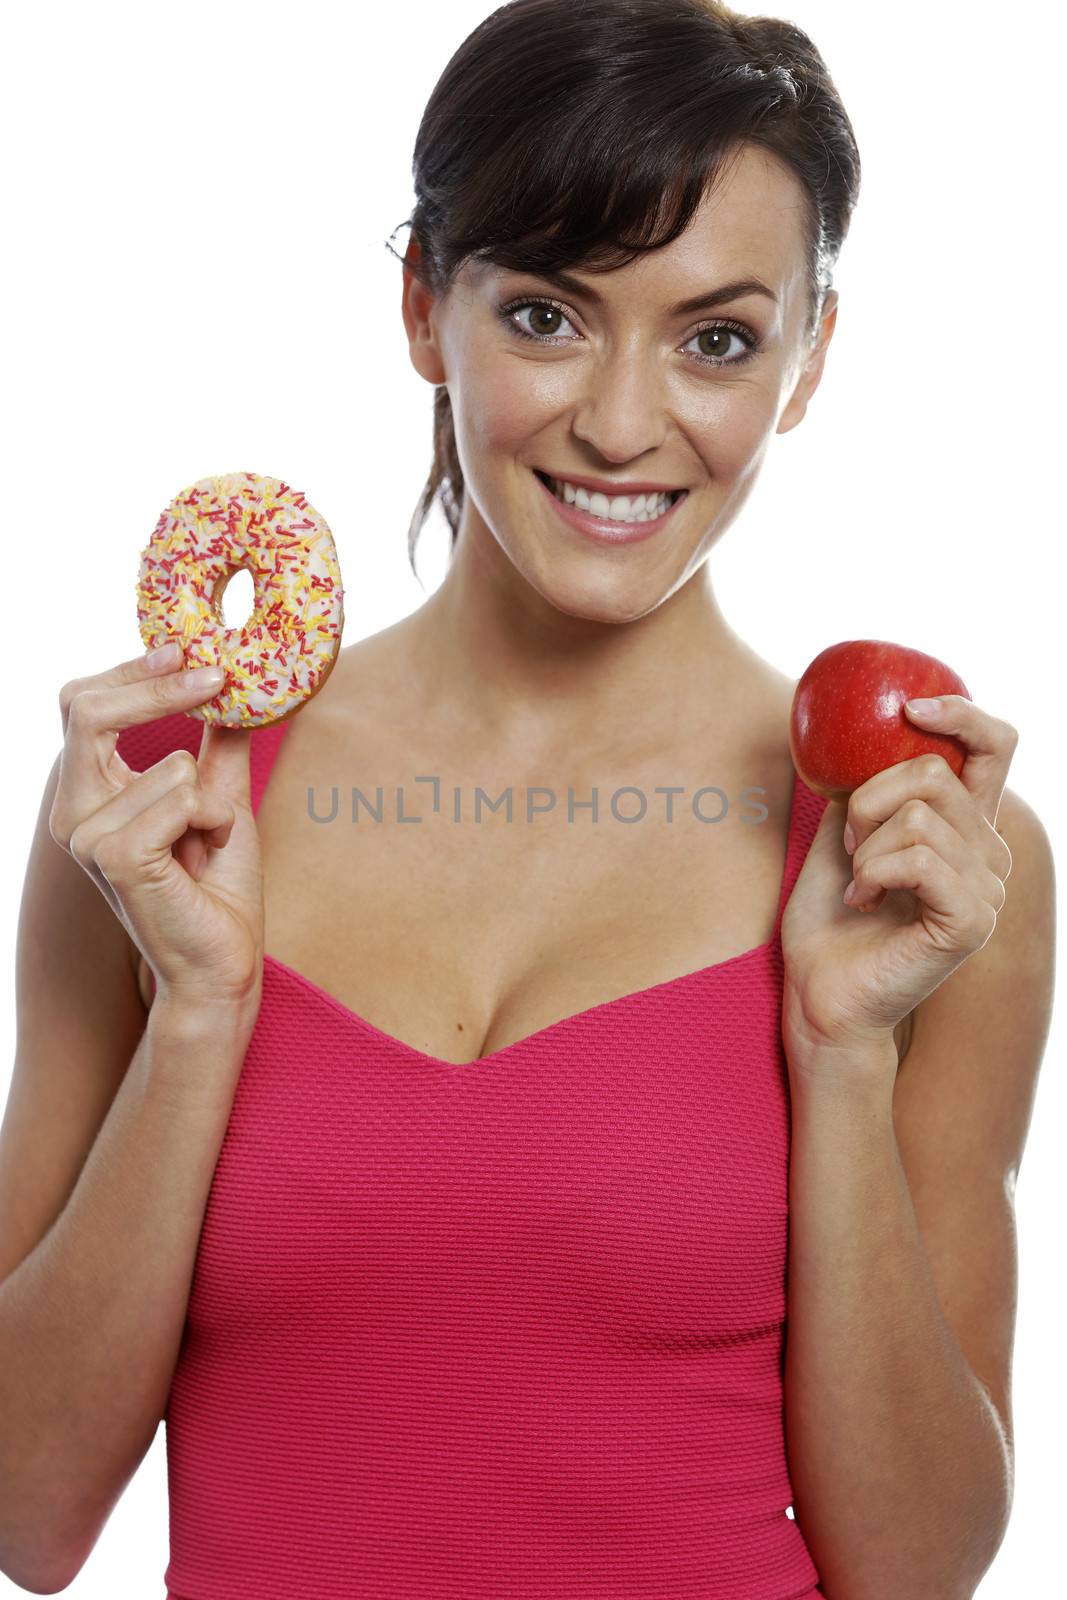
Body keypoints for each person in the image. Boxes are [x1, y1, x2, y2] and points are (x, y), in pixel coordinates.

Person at [0, 1, 1054, 1595]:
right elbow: (27, 1513)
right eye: (550, 317)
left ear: (811, 358)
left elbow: (918, 1570)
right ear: (426, 305)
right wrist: (198, 1017)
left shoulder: (920, 858)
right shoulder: (163, 805)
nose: (623, 424)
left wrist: (837, 1053)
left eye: (717, 338)